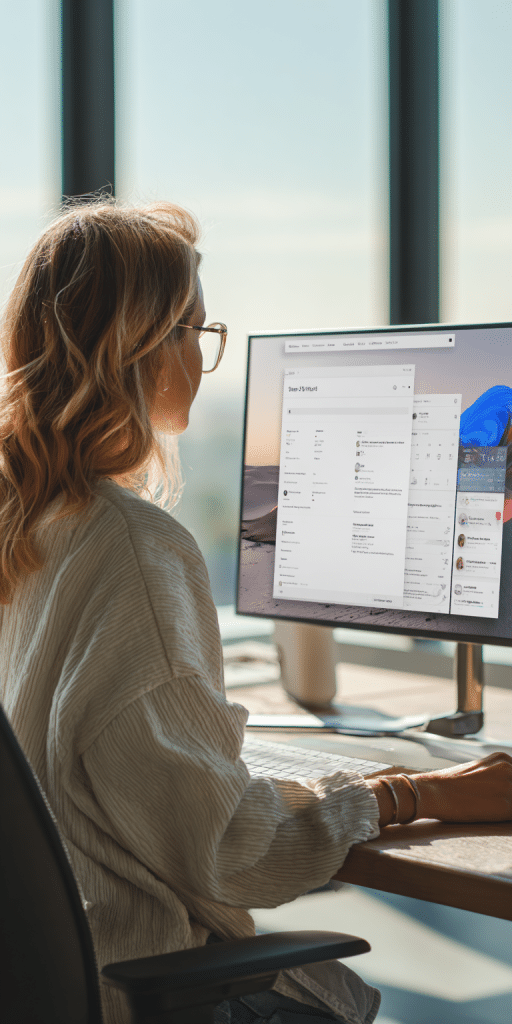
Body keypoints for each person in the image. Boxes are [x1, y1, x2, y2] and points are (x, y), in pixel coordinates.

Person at [1, 200, 511, 1024]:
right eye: (195, 332)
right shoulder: (134, 548)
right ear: (139, 348)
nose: (203, 358)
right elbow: (231, 849)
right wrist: (415, 795)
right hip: (128, 987)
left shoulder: (22, 519)